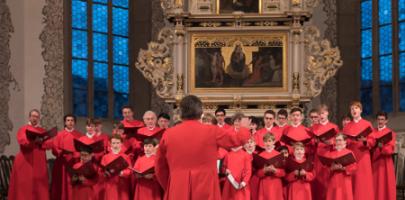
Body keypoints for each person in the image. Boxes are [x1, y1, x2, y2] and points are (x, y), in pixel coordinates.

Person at [155, 95, 251, 200]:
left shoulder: (168, 134)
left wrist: (171, 186)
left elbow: (160, 168)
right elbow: (236, 140)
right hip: (206, 188)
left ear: (180, 112)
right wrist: (244, 128)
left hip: (178, 188)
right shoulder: (212, 131)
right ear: (201, 112)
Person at [8, 109, 54, 200]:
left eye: (37, 117)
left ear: (39, 118)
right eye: (33, 116)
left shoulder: (42, 130)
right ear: (29, 117)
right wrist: (33, 142)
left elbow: (50, 144)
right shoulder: (23, 129)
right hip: (25, 161)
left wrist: (41, 142)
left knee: (39, 188)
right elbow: (22, 141)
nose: (35, 118)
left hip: (39, 163)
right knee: (25, 186)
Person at [342, 101, 375, 200]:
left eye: (356, 108)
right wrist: (347, 141)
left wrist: (365, 141)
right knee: (352, 181)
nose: (354, 110)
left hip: (363, 156)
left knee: (363, 181)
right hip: (351, 156)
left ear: (360, 110)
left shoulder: (367, 124)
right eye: (352, 109)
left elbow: (372, 141)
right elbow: (343, 141)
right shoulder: (347, 126)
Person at [51, 114, 83, 200]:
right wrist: (61, 152)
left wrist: (76, 154)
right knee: (61, 185)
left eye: (72, 120)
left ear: (75, 122)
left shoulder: (79, 135)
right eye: (68, 120)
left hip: (75, 163)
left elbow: (82, 150)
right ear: (65, 122)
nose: (70, 122)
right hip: (62, 164)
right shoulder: (59, 135)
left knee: (73, 184)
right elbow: (54, 148)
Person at [310, 105, 339, 200]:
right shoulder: (314, 127)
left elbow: (339, 142)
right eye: (319, 114)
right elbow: (310, 142)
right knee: (318, 181)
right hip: (318, 157)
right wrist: (315, 141)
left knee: (328, 182)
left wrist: (331, 142)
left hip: (329, 156)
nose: (321, 115)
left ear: (327, 113)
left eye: (322, 113)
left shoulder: (334, 127)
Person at [371, 111, 396, 200]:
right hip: (375, 162)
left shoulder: (391, 133)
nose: (380, 121)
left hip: (386, 163)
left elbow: (390, 149)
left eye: (382, 119)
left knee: (386, 186)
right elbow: (370, 146)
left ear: (386, 121)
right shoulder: (372, 132)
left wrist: (382, 148)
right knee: (375, 185)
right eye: (379, 119)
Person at [325, 134, 357, 200]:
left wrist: (344, 168)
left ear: (345, 141)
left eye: (340, 140)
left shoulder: (349, 152)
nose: (338, 142)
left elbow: (354, 167)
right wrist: (331, 168)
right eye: (336, 140)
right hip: (334, 180)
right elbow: (326, 168)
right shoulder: (331, 153)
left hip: (345, 180)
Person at [100, 134, 132, 200]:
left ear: (121, 144)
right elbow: (101, 171)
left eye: (117, 143)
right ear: (110, 144)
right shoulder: (105, 157)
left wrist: (121, 173)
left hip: (122, 185)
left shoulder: (126, 157)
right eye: (113, 143)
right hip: (110, 185)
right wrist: (106, 173)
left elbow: (129, 171)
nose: (115, 145)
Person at [256, 133, 285, 200]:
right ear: (263, 142)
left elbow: (283, 172)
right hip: (264, 183)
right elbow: (257, 173)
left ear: (273, 142)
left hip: (276, 183)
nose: (268, 143)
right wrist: (264, 170)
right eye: (266, 141)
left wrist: (275, 170)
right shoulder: (260, 155)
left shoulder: (279, 155)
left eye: (269, 141)